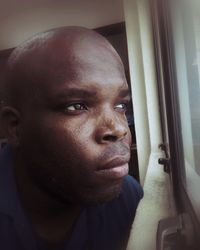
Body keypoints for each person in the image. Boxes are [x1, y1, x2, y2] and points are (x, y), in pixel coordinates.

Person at [0, 26, 143, 250]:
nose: (118, 129)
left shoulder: (128, 195)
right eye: (77, 106)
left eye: (120, 105)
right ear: (15, 127)